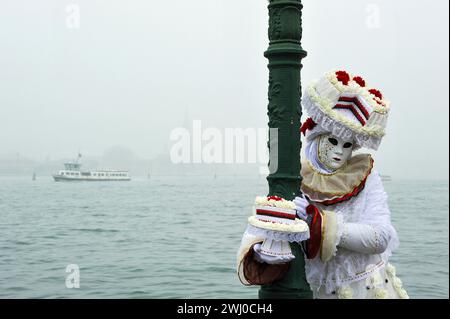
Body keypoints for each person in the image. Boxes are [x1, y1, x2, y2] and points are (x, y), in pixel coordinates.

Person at [237, 70, 409, 299]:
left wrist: (320, 223)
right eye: (333, 141)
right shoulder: (293, 176)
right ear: (317, 137)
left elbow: (380, 237)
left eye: (348, 145)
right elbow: (267, 235)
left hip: (365, 288)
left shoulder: (366, 178)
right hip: (313, 290)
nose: (339, 151)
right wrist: (264, 249)